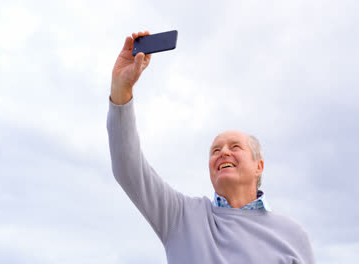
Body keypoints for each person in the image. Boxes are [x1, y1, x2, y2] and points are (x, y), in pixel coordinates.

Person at [107, 31, 316, 263]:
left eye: (235, 146)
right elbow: (128, 169)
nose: (223, 152)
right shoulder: (180, 216)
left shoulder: (293, 235)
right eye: (215, 151)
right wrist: (121, 90)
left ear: (259, 166)